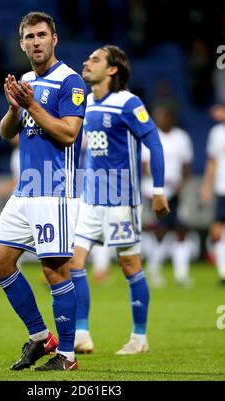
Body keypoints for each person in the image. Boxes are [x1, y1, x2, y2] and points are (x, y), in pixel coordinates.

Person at [0, 11, 87, 371]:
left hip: (55, 190)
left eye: (42, 35)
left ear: (54, 39)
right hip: (25, 191)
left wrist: (31, 104)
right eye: (29, 37)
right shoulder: (26, 80)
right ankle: (42, 338)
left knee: (54, 270)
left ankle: (68, 356)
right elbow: (5, 132)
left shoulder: (70, 82)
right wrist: (15, 109)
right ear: (22, 43)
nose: (36, 42)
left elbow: (68, 133)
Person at [68, 45, 170, 354]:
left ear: (112, 70)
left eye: (95, 59)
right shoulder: (86, 103)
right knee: (74, 261)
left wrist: (159, 190)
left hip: (121, 202)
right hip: (91, 199)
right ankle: (82, 333)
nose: (87, 62)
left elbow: (155, 143)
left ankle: (139, 338)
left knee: (129, 266)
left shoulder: (128, 103)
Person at [142, 105, 195, 288]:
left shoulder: (181, 138)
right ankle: (154, 270)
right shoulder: (149, 136)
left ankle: (181, 274)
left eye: (166, 116)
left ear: (172, 118)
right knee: (159, 231)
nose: (163, 119)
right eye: (160, 116)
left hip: (176, 191)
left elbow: (187, 166)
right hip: (154, 191)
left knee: (180, 230)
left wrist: (181, 184)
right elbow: (143, 166)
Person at [200, 104, 225, 285]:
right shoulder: (217, 132)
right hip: (222, 187)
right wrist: (207, 186)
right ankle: (223, 272)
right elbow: (212, 161)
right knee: (217, 231)